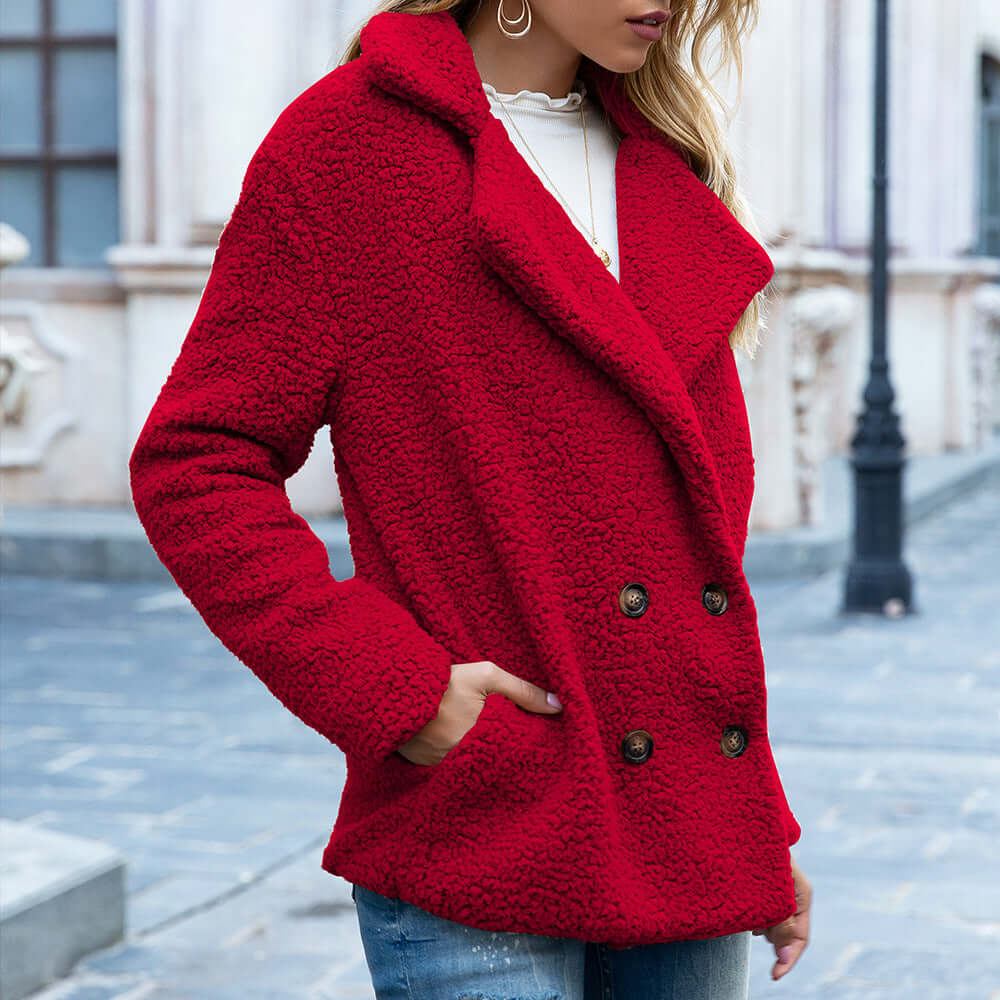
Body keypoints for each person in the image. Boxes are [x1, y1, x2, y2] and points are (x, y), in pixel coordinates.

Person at [128, 0, 813, 996]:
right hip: (485, 824)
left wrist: (752, 824)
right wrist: (399, 692)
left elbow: (678, 564)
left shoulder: (663, 165)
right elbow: (197, 461)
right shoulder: (350, 146)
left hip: (683, 838)